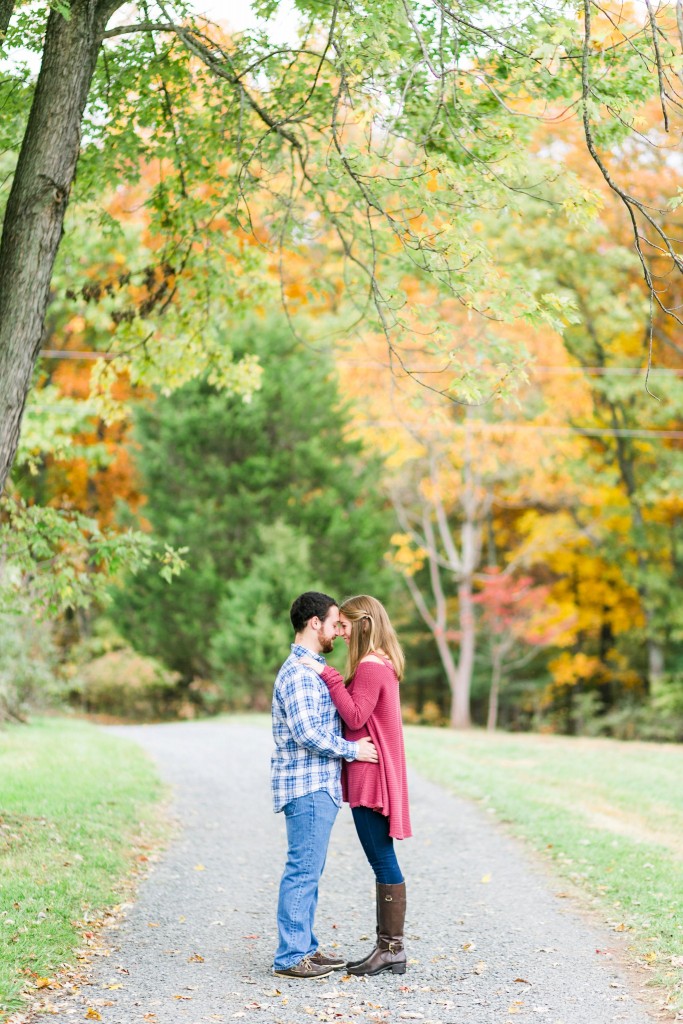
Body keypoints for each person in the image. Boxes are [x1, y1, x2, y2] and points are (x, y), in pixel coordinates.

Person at [300, 594, 411, 977]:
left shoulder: (369, 665)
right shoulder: (383, 662)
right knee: (382, 858)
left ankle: (392, 949)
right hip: (373, 773)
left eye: (345, 625)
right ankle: (389, 947)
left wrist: (329, 676)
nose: (342, 633)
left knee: (381, 859)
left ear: (363, 623)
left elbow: (355, 714)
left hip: (369, 777)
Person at [271, 591, 379, 980]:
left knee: (309, 869)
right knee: (302, 869)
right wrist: (352, 750)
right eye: (334, 623)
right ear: (314, 623)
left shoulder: (311, 668)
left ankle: (306, 948)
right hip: (308, 785)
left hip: (318, 785)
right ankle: (290, 957)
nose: (338, 631)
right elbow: (306, 732)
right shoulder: (299, 672)